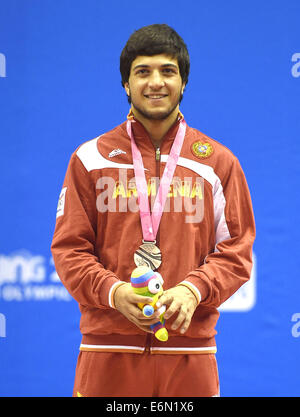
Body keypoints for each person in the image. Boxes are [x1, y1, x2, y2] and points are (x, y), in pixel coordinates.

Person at [51, 23, 255, 397]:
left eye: (168, 71)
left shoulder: (218, 164)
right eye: (142, 72)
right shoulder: (90, 159)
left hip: (190, 353)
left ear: (184, 82)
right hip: (106, 351)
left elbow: (238, 252)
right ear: (126, 84)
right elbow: (69, 250)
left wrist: (194, 291)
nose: (155, 82)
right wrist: (114, 292)